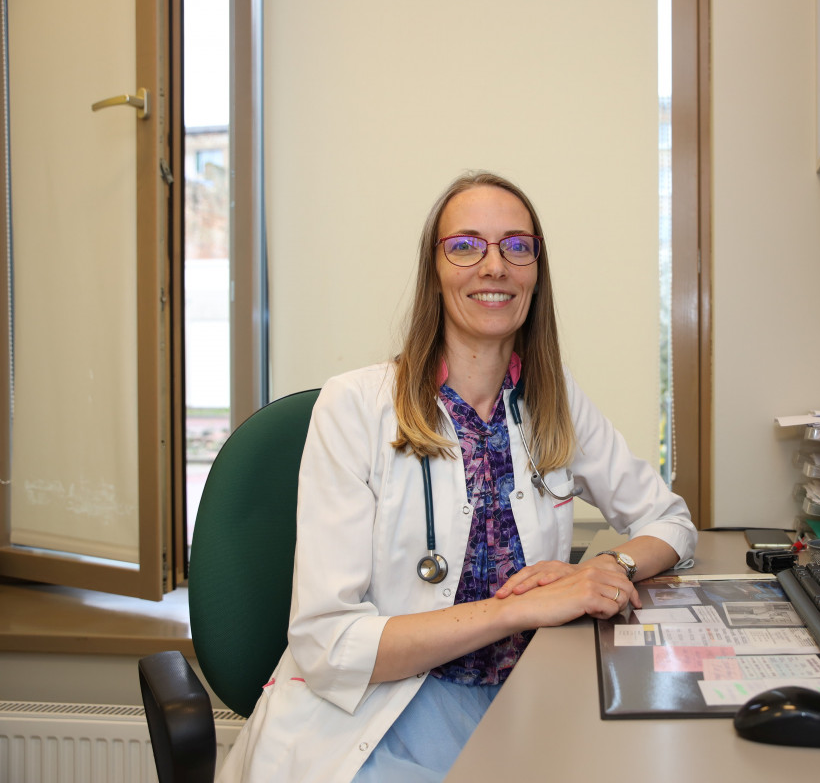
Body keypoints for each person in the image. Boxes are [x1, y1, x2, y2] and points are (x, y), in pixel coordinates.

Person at [217, 171, 697, 782]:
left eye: (516, 246)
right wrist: (519, 610)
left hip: (527, 700)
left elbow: (670, 521)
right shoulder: (355, 407)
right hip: (380, 715)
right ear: (434, 270)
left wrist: (610, 566)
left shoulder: (554, 402)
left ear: (536, 272)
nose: (494, 266)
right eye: (466, 245)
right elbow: (328, 645)